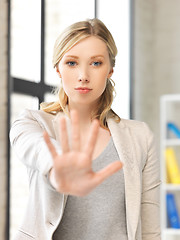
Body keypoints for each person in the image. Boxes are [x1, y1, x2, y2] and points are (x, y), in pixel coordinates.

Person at [10, 18, 161, 240]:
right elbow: (34, 147)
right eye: (71, 63)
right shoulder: (32, 123)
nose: (83, 75)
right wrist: (56, 166)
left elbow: (149, 230)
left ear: (110, 70)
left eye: (96, 63)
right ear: (58, 69)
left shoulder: (141, 137)